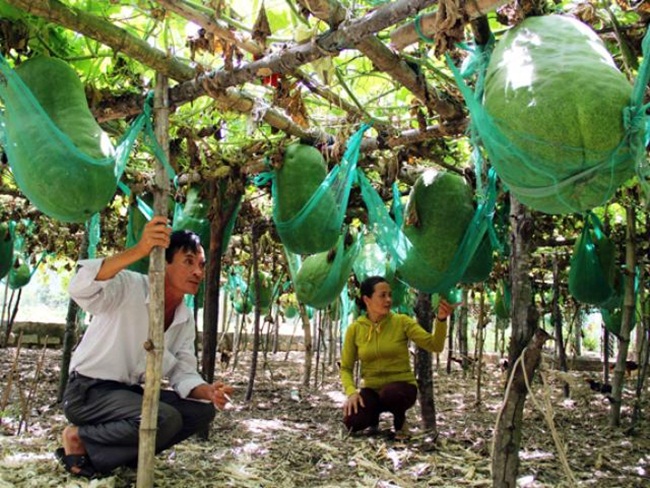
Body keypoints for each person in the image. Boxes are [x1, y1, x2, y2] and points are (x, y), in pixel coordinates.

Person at [56, 216, 233, 478]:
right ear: (164, 262)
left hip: (127, 395)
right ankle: (78, 438)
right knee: (165, 418)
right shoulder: (129, 286)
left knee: (200, 411)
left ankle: (121, 457)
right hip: (87, 391)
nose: (198, 271)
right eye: (188, 262)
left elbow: (183, 372)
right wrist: (140, 250)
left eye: (201, 265)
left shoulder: (184, 317)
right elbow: (80, 287)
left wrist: (209, 392)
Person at [340, 275, 453, 438]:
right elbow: (346, 367)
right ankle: (373, 418)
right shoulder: (355, 329)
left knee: (391, 395)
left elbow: (435, 345)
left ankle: (400, 422)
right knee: (353, 422)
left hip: (401, 387)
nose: (388, 300)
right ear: (367, 299)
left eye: (390, 295)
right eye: (382, 295)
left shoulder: (402, 322)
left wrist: (441, 320)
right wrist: (351, 392)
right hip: (372, 389)